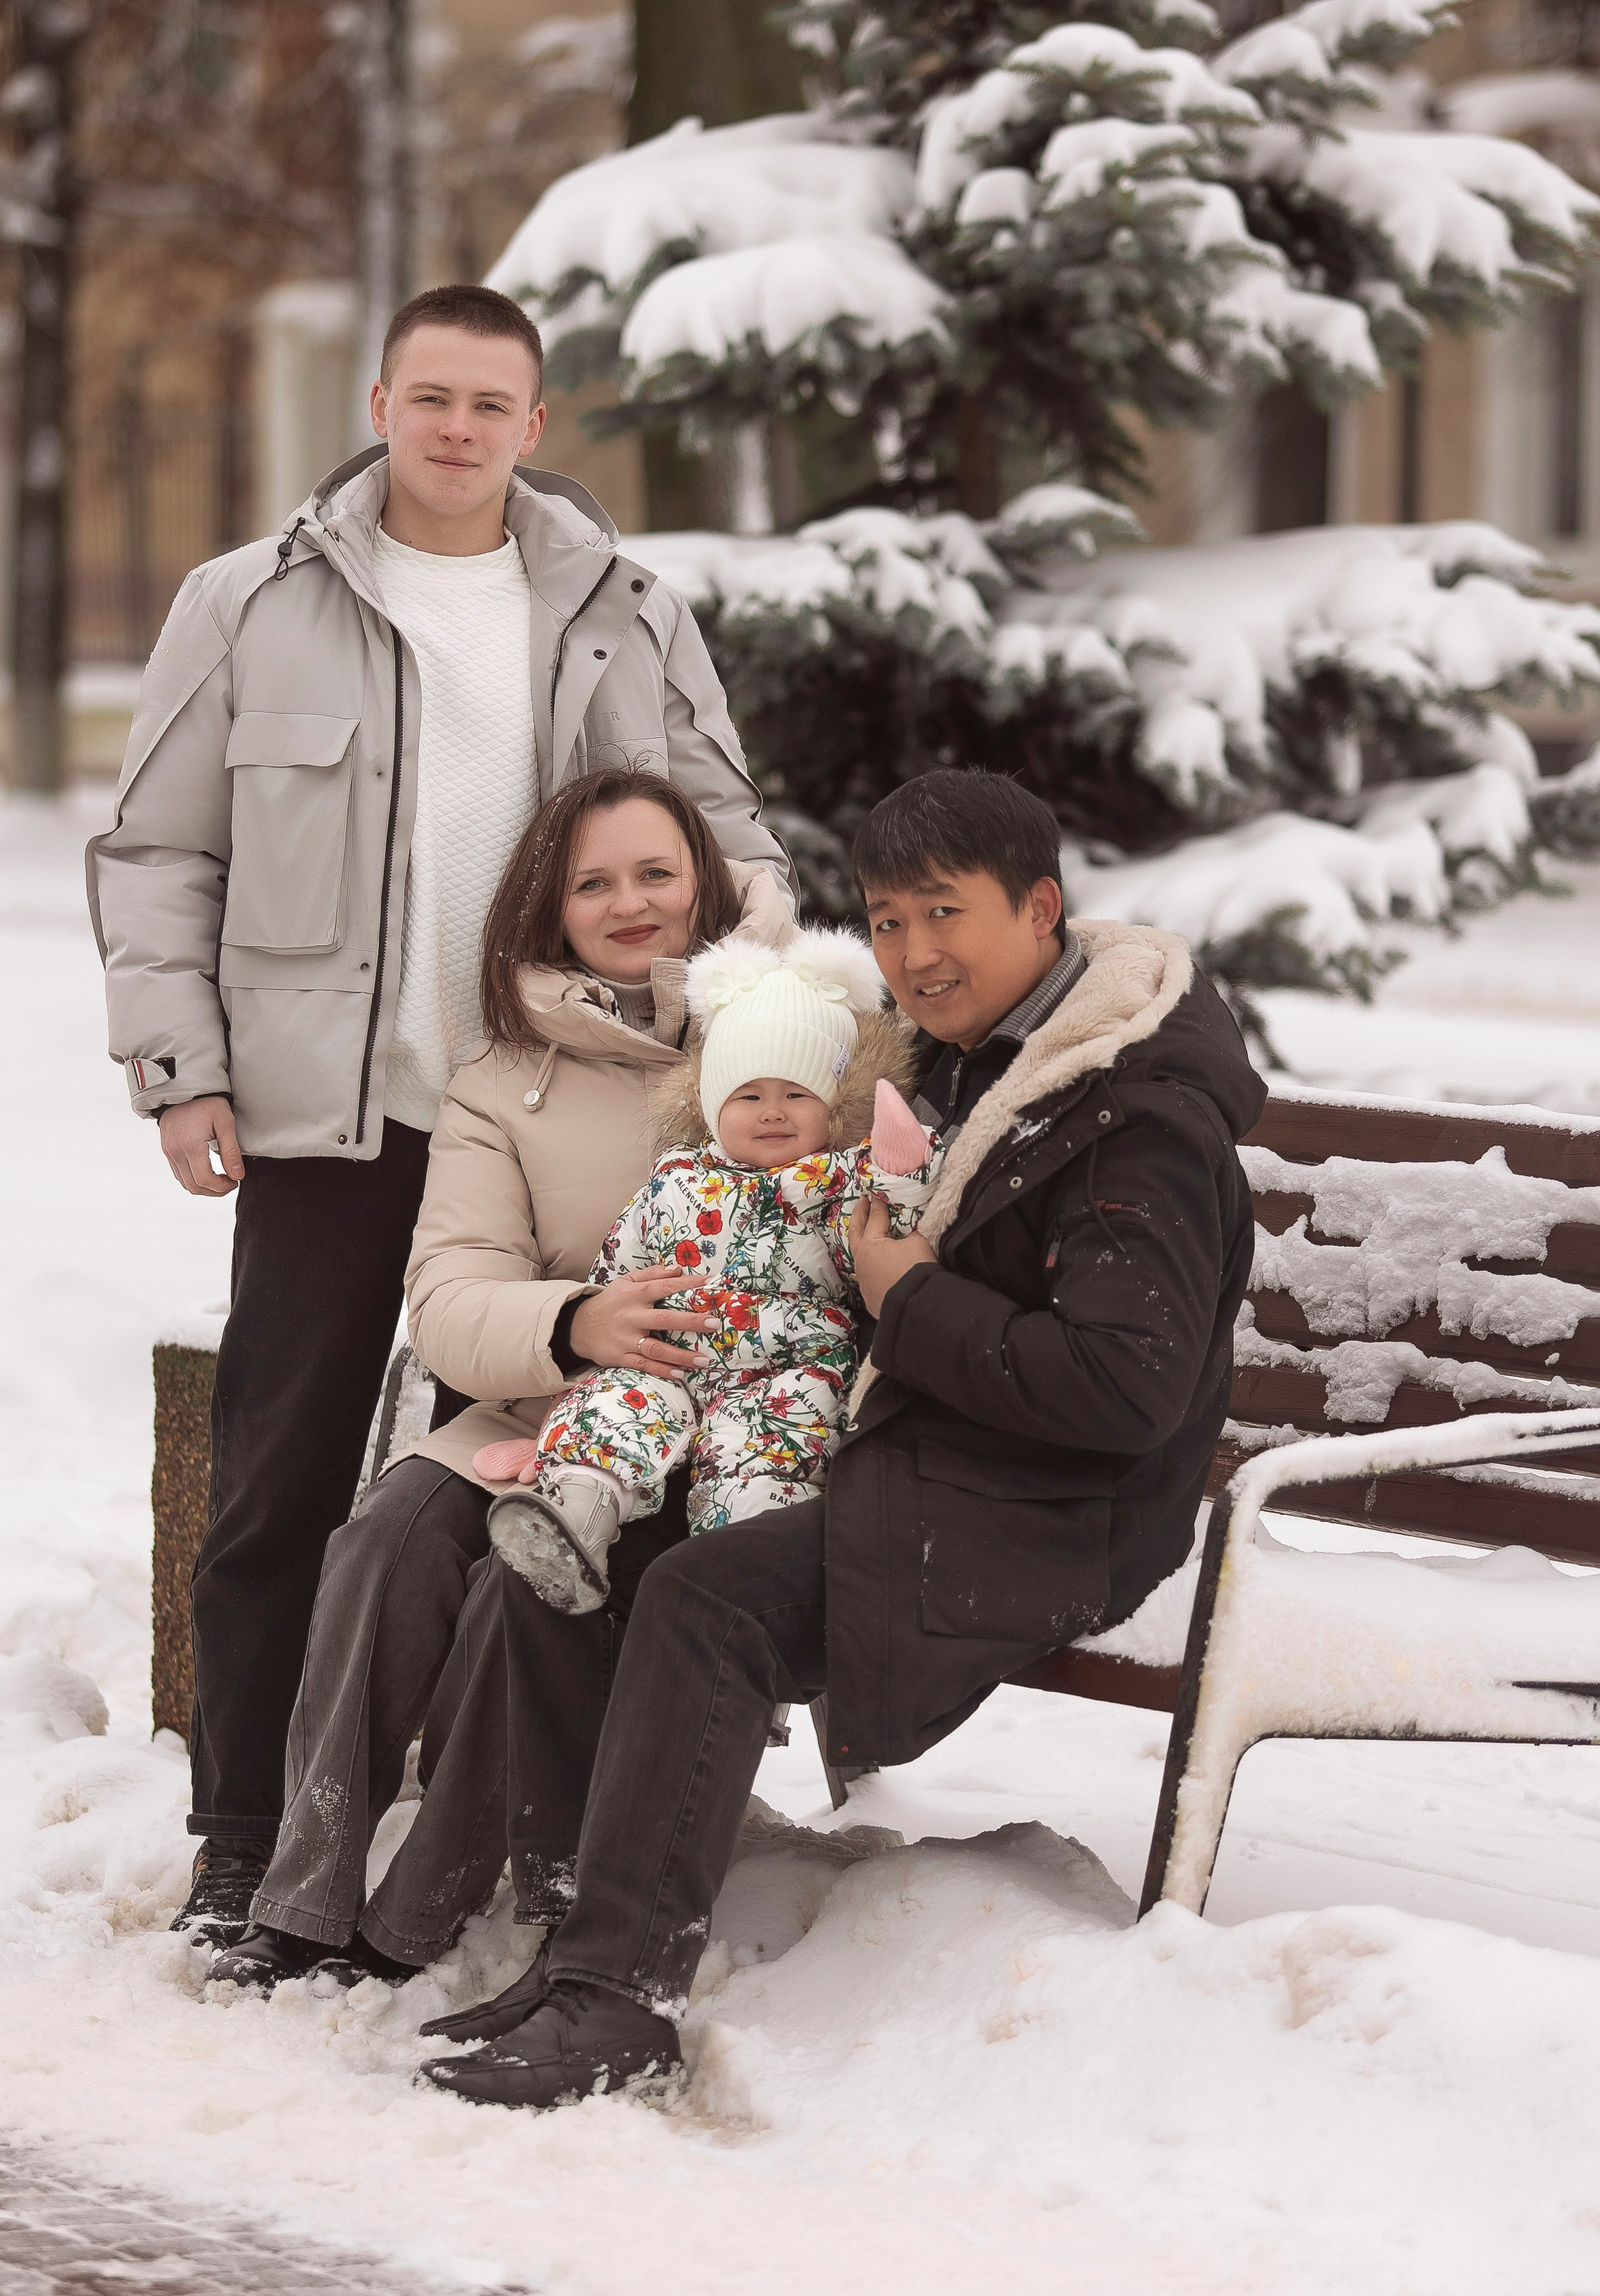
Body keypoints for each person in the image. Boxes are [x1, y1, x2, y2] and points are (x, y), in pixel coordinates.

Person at [87, 282, 791, 1941]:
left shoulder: (623, 607)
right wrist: (179, 1066)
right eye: (432, 399)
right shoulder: (248, 601)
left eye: (494, 404)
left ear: (534, 426)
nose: (460, 430)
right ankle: (242, 1838)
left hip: (563, 1107)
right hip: (336, 1119)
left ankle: (545, 1827)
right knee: (277, 1485)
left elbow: (726, 832)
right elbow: (158, 849)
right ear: (384, 401)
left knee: (565, 1456)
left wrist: (758, 1005)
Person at [422, 767, 1268, 2105]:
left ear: (1039, 909)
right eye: (884, 921)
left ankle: (620, 2000)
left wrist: (906, 1301)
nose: (913, 955)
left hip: (1056, 1508)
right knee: (589, 1551)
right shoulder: (963, 1056)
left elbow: (1123, 1392)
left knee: (707, 1597)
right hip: (929, 1455)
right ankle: (574, 1942)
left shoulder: (1130, 1112)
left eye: (945, 914)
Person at [204, 767, 792, 1991]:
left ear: (707, 885)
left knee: (510, 1590)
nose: (630, 905)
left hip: (714, 1432)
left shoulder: (778, 1038)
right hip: (533, 1407)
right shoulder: (499, 1080)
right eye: (593, 884)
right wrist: (578, 1320)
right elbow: (454, 1297)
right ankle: (304, 1891)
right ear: (551, 909)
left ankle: (420, 1915)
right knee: (389, 1536)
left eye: (656, 873)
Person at [486, 929, 933, 1612]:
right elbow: (622, 1264)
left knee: (766, 1458)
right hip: (671, 1354)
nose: (773, 1111)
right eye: (748, 1095)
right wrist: (605, 1323)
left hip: (783, 1365)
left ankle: (738, 1580)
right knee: (613, 1412)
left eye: (797, 1094)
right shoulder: (675, 1177)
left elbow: (882, 1237)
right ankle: (576, 1517)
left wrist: (902, 1170)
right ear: (714, 1104)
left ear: (835, 1108)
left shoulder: (838, 1183)